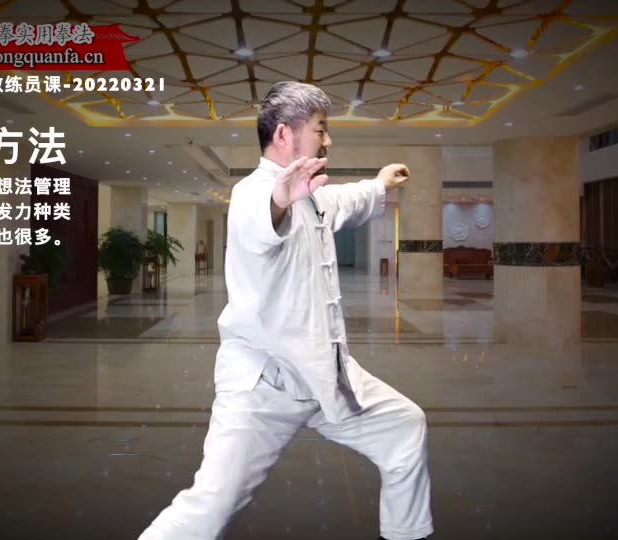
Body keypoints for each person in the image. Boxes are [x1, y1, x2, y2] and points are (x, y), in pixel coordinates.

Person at [138, 81, 432, 540]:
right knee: (211, 506)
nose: (328, 139)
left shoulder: (312, 194)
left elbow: (346, 200)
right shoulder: (252, 194)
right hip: (265, 384)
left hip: (324, 375)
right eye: (320, 129)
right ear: (282, 134)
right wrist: (279, 200)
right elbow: (263, 220)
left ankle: (405, 534)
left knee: (405, 427)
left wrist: (379, 183)